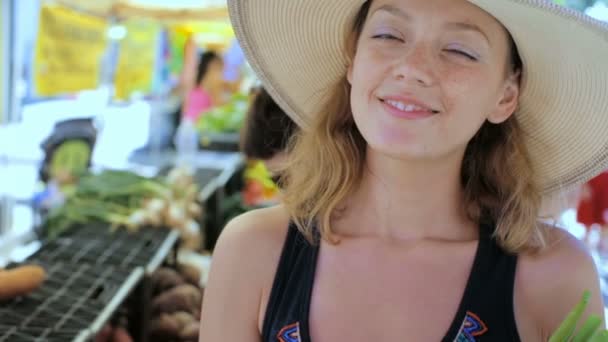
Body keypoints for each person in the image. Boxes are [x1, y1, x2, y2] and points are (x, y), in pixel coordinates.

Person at [200, 0, 608, 340]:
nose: (411, 67)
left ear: (505, 95)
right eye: (388, 35)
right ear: (352, 61)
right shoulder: (253, 253)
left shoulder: (554, 276)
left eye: (460, 50)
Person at [183, 50, 225, 123]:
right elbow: (218, 106)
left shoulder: (194, 78)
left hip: (187, 122)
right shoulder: (212, 80)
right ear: (212, 64)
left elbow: (185, 106)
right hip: (200, 126)